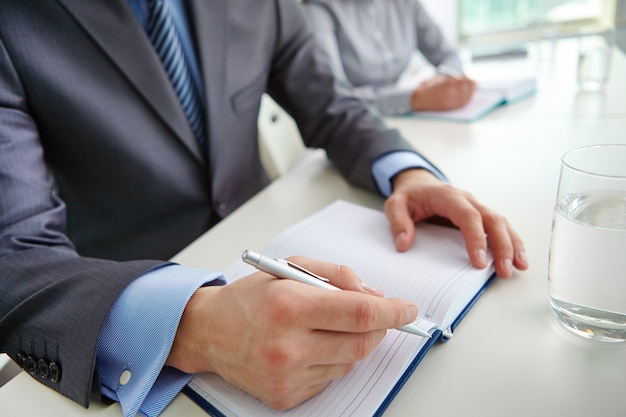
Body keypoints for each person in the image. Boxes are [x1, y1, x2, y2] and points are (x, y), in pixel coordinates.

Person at [0, 1, 527, 417]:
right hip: (115, 294)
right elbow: (13, 251)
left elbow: (333, 106)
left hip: (267, 239)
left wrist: (406, 172)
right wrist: (192, 325)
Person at [302, 0, 477, 115]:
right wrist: (414, 98)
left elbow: (447, 54)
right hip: (357, 127)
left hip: (410, 118)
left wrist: (444, 81)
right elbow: (335, 97)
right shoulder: (318, 10)